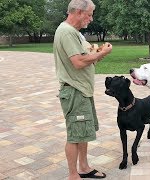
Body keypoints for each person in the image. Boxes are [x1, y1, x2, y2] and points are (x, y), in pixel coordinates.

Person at [53, 0, 112, 179]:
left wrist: (98, 53)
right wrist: (102, 53)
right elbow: (78, 62)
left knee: (83, 131)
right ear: (79, 12)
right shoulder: (66, 32)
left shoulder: (76, 34)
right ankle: (73, 175)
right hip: (74, 91)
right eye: (89, 14)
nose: (91, 19)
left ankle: (84, 167)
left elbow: (86, 57)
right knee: (74, 135)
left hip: (82, 90)